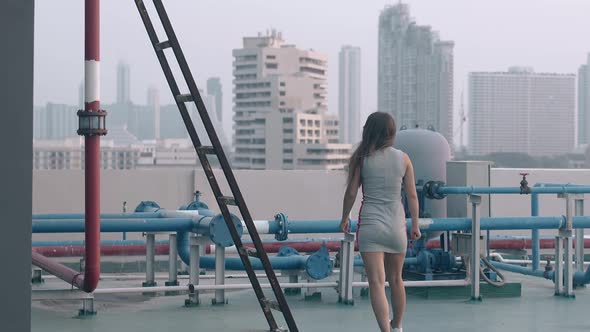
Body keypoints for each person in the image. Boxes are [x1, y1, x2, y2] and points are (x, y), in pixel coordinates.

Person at [339, 112, 421, 332]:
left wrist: (344, 217)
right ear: (391, 133)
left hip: (371, 226)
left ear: (369, 131)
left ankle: (385, 330)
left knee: (376, 282)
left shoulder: (362, 158)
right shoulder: (403, 158)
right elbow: (412, 195)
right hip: (397, 226)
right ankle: (398, 326)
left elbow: (351, 193)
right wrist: (415, 224)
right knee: (396, 280)